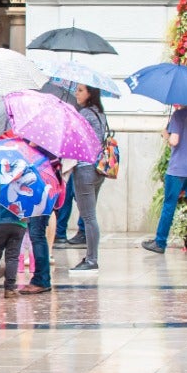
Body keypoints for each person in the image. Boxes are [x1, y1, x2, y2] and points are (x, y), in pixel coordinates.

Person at [144, 104, 187, 256]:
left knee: (169, 205)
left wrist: (166, 134)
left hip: (178, 169)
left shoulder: (178, 116)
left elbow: (174, 140)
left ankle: (160, 242)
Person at [68, 85, 107, 273]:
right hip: (98, 170)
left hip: (85, 169)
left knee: (89, 217)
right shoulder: (99, 113)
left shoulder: (84, 114)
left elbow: (72, 139)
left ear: (90, 93)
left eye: (81, 90)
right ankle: (91, 257)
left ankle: (92, 259)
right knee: (90, 216)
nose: (77, 93)